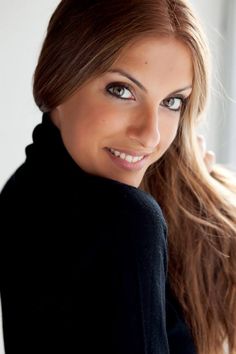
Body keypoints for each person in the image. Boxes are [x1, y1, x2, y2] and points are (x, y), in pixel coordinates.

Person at [0, 0, 236, 353]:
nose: (151, 135)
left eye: (172, 102)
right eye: (122, 90)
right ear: (57, 81)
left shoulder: (20, 193)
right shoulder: (126, 220)